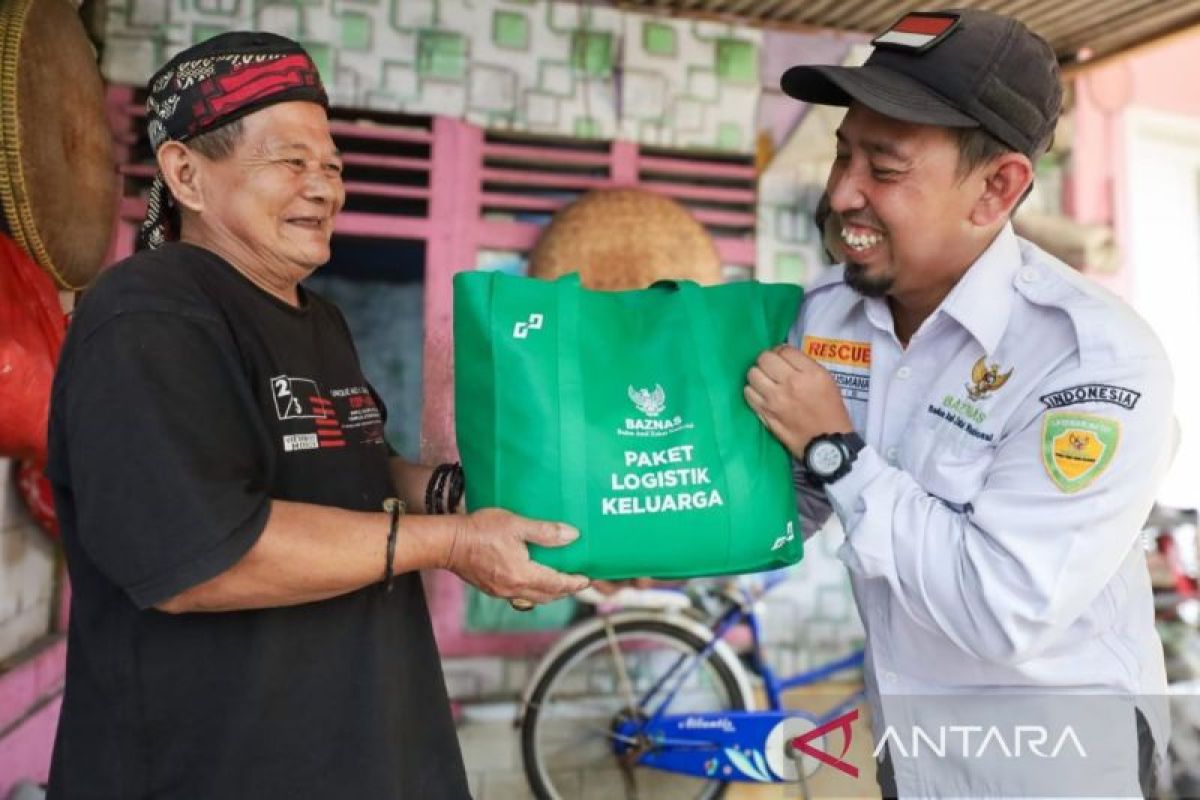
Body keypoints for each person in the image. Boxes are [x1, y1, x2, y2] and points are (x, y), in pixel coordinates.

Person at [45, 32, 588, 799]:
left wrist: (465, 497)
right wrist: (457, 541)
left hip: (369, 752)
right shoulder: (147, 314)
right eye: (290, 161)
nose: (324, 187)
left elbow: (351, 471)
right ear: (187, 173)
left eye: (332, 166)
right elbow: (206, 555)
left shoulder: (318, 320)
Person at [746, 9, 1171, 797]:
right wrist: (633, 538)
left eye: (885, 166)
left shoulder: (1088, 358)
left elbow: (1003, 610)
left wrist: (837, 448)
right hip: (909, 752)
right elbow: (793, 500)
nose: (842, 195)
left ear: (996, 188)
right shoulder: (829, 314)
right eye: (843, 154)